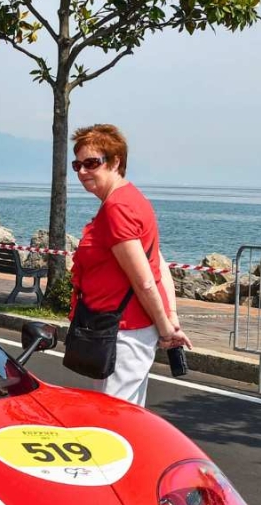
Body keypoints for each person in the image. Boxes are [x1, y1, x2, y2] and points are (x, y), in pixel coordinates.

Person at [68, 123, 190, 406]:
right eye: (77, 165)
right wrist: (168, 317)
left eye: (91, 163)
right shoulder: (129, 198)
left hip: (122, 333)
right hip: (121, 331)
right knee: (125, 415)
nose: (83, 172)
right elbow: (157, 262)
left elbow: (144, 279)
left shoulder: (117, 207)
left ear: (115, 162)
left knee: (111, 419)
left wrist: (166, 327)